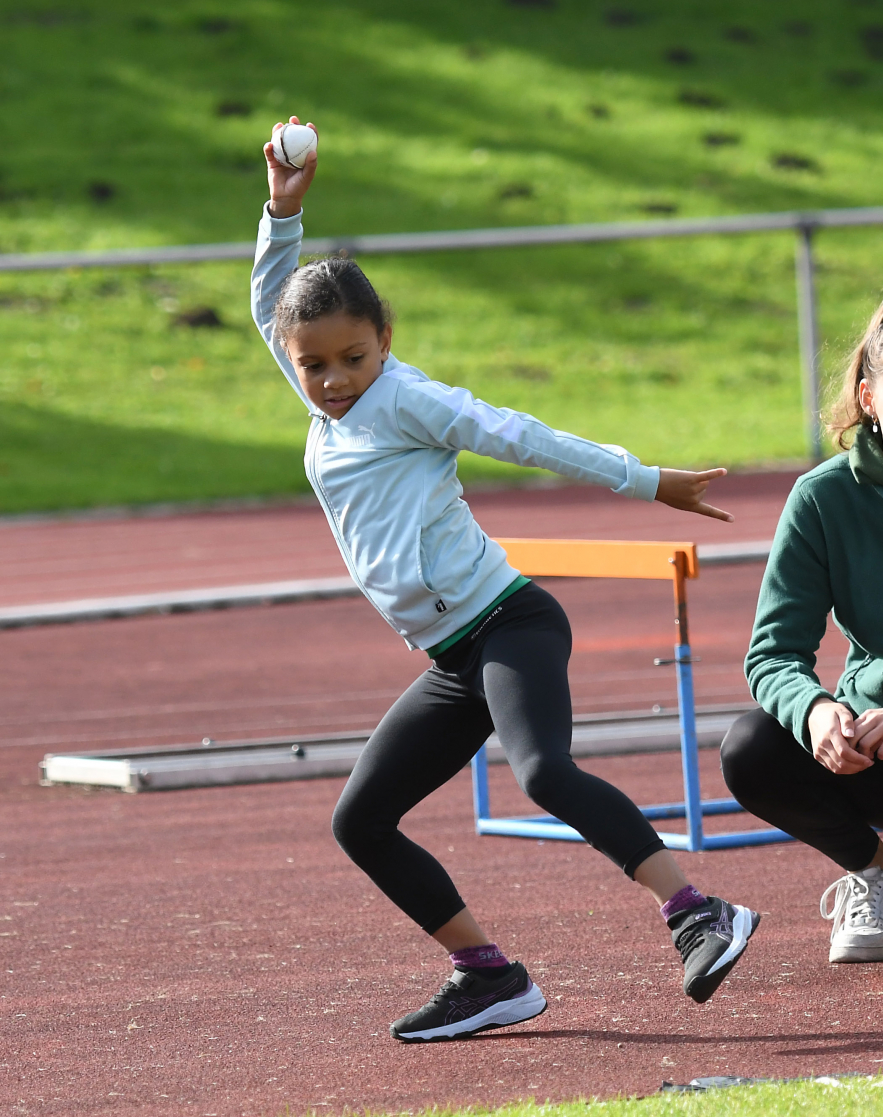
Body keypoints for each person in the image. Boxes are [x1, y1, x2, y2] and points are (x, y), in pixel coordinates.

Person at [252, 118, 760, 1042]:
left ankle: (699, 913)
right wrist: (282, 213)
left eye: (353, 358)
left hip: (510, 621)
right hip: (453, 656)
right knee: (360, 820)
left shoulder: (408, 399)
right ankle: (488, 974)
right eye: (313, 365)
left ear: (385, 339)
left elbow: (522, 436)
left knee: (543, 771)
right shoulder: (324, 401)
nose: (333, 380)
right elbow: (266, 304)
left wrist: (648, 480)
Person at [721, 288, 883, 965]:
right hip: (880, 749)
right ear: (868, 399)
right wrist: (817, 710)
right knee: (752, 748)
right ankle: (877, 876)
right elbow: (773, 654)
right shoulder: (822, 498)